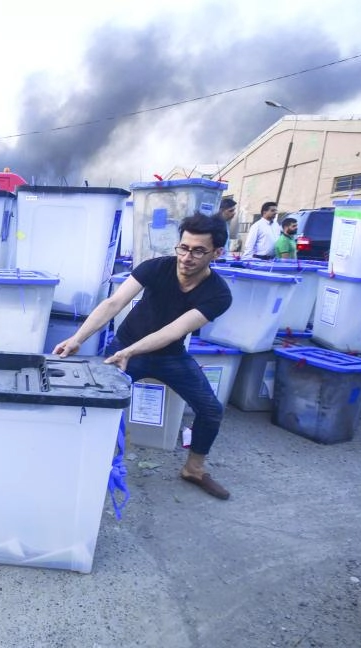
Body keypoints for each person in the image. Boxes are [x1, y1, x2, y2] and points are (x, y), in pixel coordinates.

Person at [53, 214, 234, 500]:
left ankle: (194, 469)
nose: (187, 257)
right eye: (183, 248)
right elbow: (114, 302)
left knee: (211, 409)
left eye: (198, 251)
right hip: (125, 345)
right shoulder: (156, 268)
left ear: (217, 253)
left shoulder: (219, 294)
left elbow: (175, 330)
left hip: (169, 355)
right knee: (99, 404)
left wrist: (133, 351)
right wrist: (78, 339)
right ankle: (84, 462)